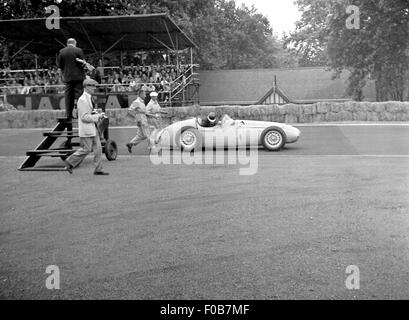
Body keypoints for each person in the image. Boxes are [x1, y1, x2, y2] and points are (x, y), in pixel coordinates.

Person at [64, 78, 109, 175]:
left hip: (92, 128)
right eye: (93, 86)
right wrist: (98, 116)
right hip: (87, 129)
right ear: (87, 87)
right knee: (86, 149)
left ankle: (98, 169)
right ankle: (69, 161)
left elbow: (88, 113)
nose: (94, 88)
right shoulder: (83, 100)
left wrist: (96, 112)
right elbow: (84, 117)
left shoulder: (88, 98)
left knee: (98, 149)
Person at [57, 38, 86, 119]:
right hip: (78, 77)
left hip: (68, 77)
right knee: (80, 96)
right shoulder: (78, 50)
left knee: (68, 96)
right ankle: (81, 114)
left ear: (67, 43)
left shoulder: (62, 51)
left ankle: (69, 115)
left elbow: (60, 65)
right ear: (74, 43)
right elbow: (82, 64)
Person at [125, 89, 157, 153]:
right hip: (141, 120)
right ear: (140, 94)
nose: (145, 96)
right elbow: (129, 110)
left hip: (143, 119)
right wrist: (137, 118)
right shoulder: (137, 102)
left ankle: (131, 144)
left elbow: (144, 112)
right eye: (144, 94)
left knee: (141, 135)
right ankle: (151, 148)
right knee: (148, 134)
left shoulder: (141, 102)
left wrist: (153, 116)